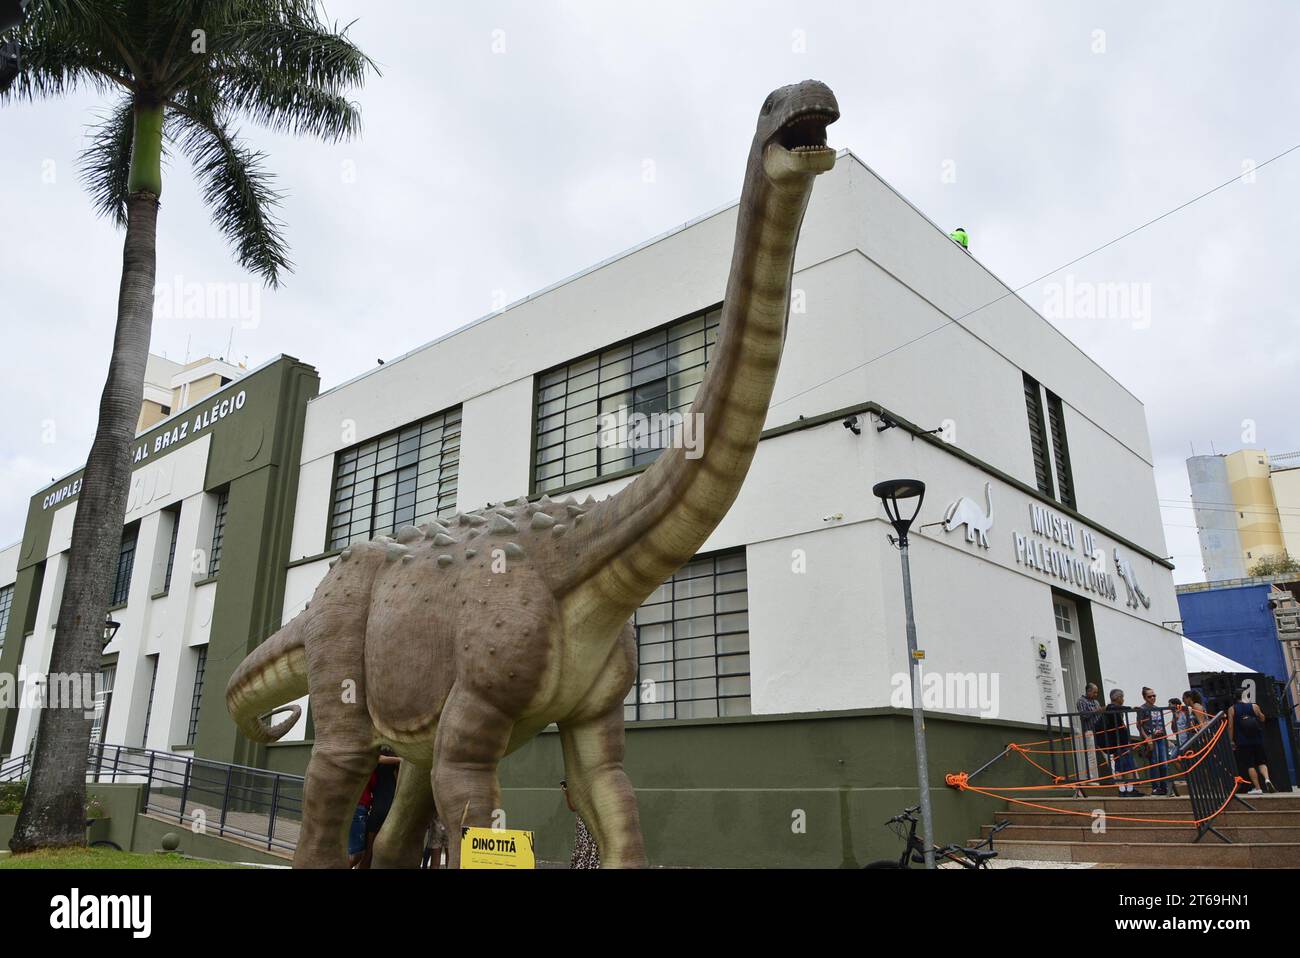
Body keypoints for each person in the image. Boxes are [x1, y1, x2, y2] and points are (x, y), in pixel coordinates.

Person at [1096, 689, 1142, 796]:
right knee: (1127, 766)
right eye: (1122, 697)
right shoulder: (1112, 707)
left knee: (1121, 766)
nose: (1123, 699)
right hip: (1120, 743)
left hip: (1118, 742)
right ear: (1118, 698)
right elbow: (1115, 708)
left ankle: (1123, 790)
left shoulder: (1110, 708)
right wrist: (1131, 708)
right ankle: (1128, 790)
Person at [1228, 690, 1275, 794]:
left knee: (1250, 765)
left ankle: (1258, 788)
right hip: (1257, 739)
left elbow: (1230, 726)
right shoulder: (1254, 706)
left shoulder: (1232, 709)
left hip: (1242, 741)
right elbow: (1262, 719)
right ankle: (1267, 779)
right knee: (1261, 762)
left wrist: (1231, 740)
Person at [1136, 687, 1170, 796]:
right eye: (1149, 696)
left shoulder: (1157, 708)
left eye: (1154, 695)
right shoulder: (1142, 708)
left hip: (1161, 738)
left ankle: (1164, 787)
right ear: (1144, 697)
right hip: (1151, 739)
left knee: (1163, 764)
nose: (1152, 698)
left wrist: (1166, 738)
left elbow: (1161, 724)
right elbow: (1139, 725)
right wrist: (1147, 739)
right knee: (1154, 763)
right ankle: (1156, 787)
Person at [561, 779, 600, 869]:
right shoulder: (580, 790)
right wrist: (567, 792)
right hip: (582, 827)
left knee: (593, 850)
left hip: (594, 825)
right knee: (582, 849)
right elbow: (573, 807)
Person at [1074, 683, 1103, 790]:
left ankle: (1115, 777)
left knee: (1108, 754)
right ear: (1088, 691)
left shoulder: (1096, 702)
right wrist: (1097, 710)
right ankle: (1092, 780)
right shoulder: (1081, 701)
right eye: (1094, 692)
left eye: (1097, 692)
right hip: (1089, 730)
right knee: (1092, 756)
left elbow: (1099, 714)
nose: (1096, 695)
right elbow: (1084, 715)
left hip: (1100, 731)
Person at [349, 770, 376, 868]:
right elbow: (374, 784)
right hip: (359, 808)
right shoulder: (366, 766)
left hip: (352, 807)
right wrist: (400, 760)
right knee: (357, 854)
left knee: (352, 851)